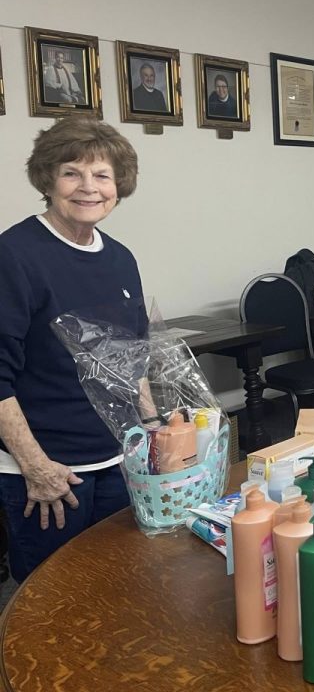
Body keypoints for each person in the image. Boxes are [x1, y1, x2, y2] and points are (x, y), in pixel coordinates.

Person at [0, 117, 145, 583]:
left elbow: (131, 359)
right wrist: (37, 466)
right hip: (48, 475)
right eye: (71, 173)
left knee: (118, 586)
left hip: (117, 461)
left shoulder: (120, 257)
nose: (89, 188)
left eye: (101, 175)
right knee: (52, 604)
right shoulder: (15, 255)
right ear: (48, 179)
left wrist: (154, 431)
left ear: (118, 185)